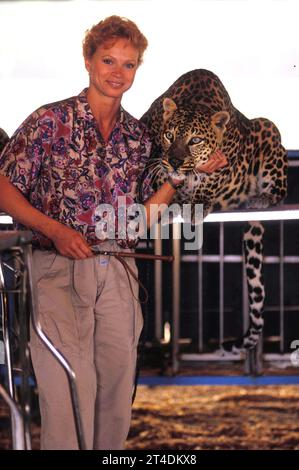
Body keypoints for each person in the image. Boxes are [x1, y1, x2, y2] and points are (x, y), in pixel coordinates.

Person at [0, 16, 227, 450]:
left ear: (138, 69)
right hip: (58, 268)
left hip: (119, 271)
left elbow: (142, 218)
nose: (117, 73)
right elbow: (2, 187)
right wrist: (54, 230)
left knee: (117, 394)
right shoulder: (50, 121)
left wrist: (182, 175)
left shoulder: (139, 138)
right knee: (70, 388)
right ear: (88, 61)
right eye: (108, 60)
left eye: (129, 64)